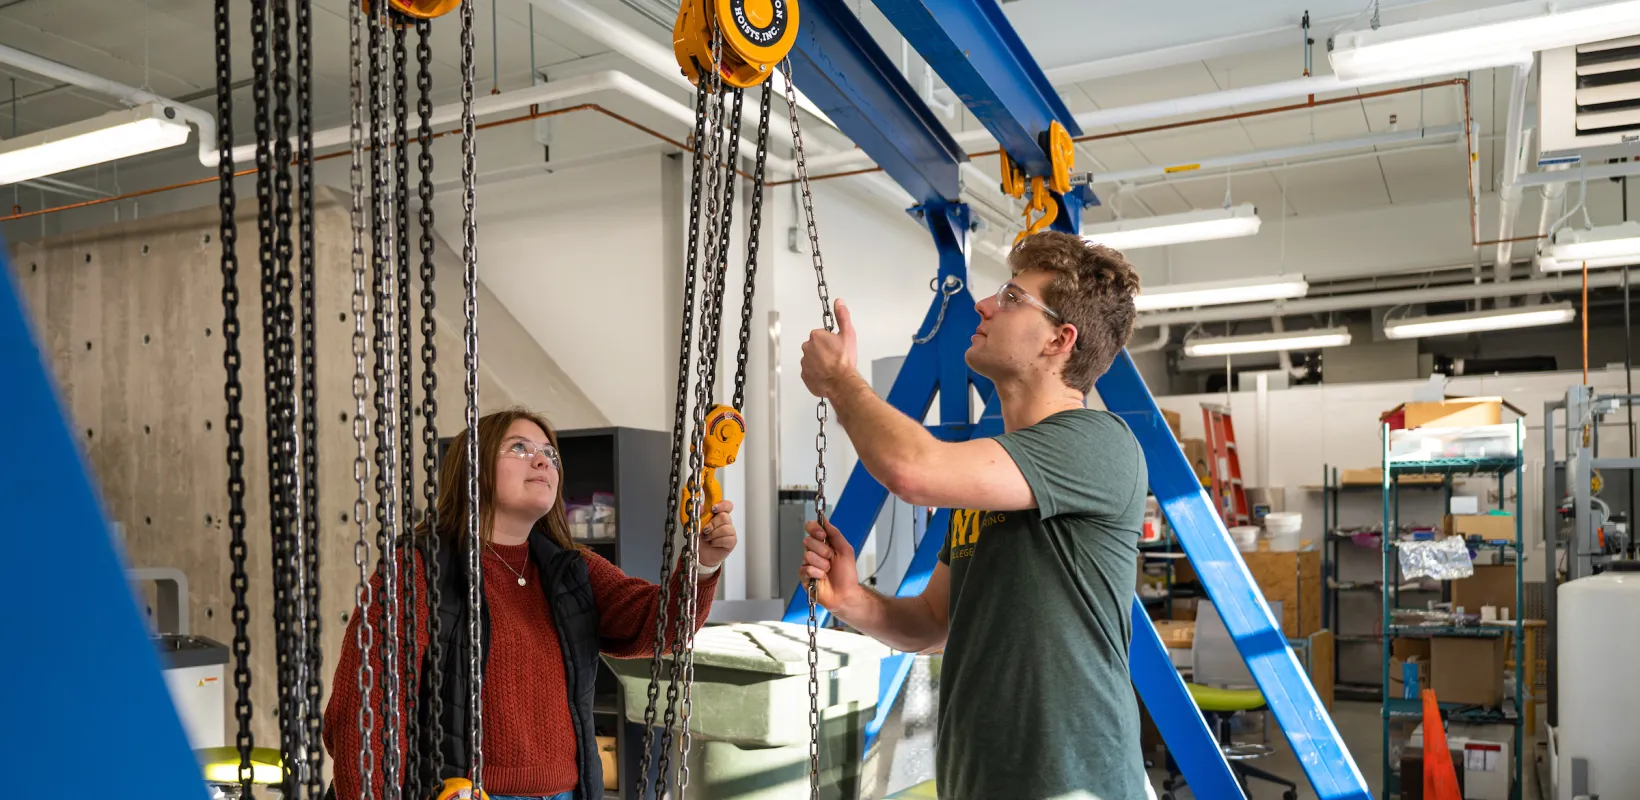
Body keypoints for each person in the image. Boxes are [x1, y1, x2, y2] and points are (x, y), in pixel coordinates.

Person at [797, 230, 1148, 799]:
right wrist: (853, 600)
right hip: (976, 779)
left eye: (1012, 298)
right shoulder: (987, 482)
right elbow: (933, 623)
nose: (984, 305)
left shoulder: (1097, 442)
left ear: (1060, 339)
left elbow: (910, 470)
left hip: (1070, 782)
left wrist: (840, 381)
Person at [323, 407, 735, 800]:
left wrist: (702, 563)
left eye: (549, 454)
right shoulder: (419, 567)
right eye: (519, 448)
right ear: (474, 467)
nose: (542, 461)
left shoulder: (570, 569)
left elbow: (655, 625)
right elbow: (364, 710)